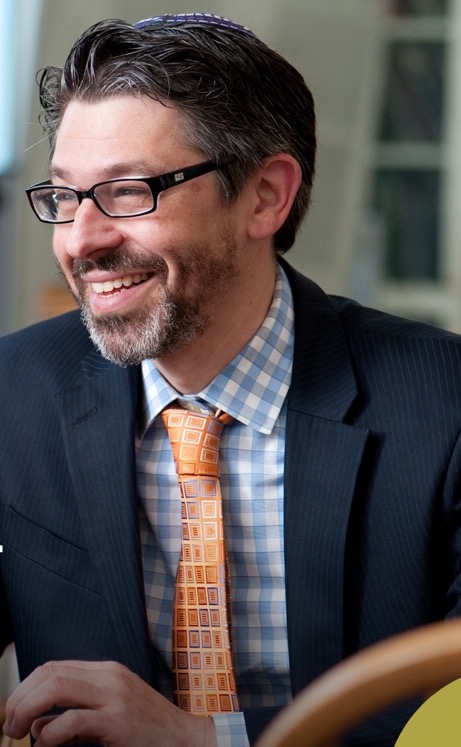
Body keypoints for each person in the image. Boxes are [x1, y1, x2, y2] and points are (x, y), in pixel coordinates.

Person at [1, 12, 461, 747]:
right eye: (64, 197)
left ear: (264, 196)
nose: (81, 240)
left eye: (128, 192)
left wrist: (206, 738)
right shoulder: (15, 390)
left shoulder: (444, 403)